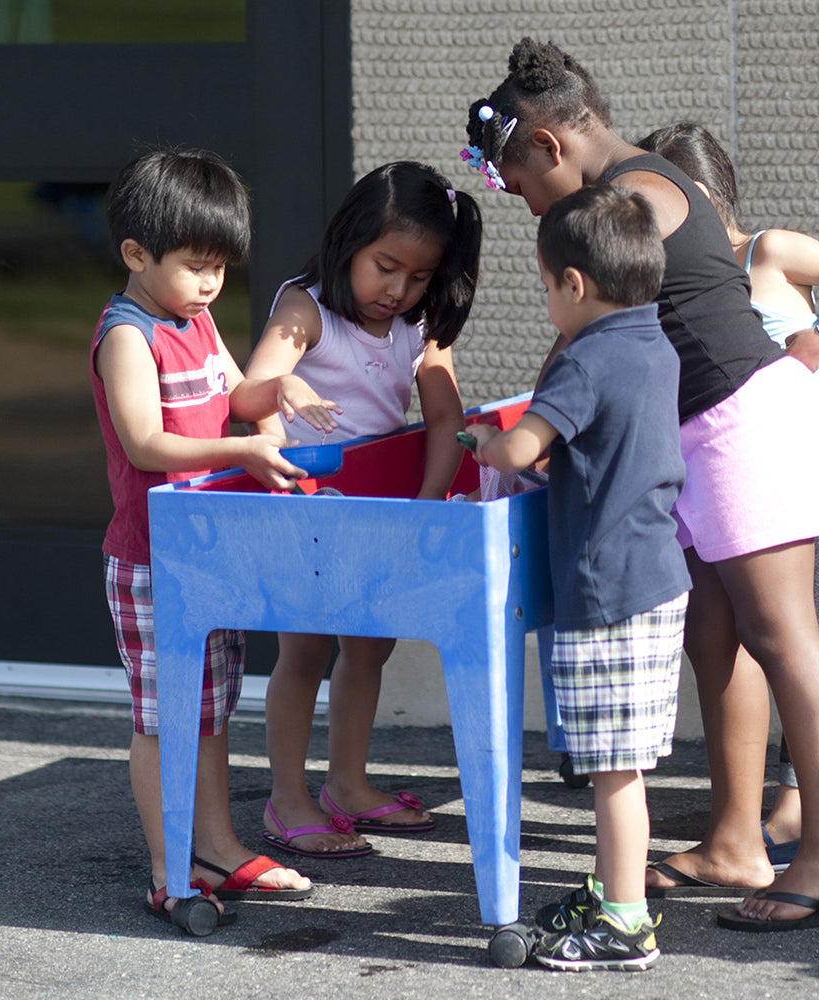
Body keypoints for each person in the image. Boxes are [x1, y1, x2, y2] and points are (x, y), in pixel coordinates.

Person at [462, 38, 819, 931]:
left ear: (549, 147)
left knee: (784, 633)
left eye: (519, 185)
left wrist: (538, 422)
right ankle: (736, 839)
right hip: (704, 432)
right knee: (716, 632)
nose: (525, 205)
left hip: (744, 421)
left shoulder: (637, 197)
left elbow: (589, 327)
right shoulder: (638, 185)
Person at [636, 122, 819, 867]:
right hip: (759, 470)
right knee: (756, 634)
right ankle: (756, 822)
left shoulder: (768, 250)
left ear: (706, 194)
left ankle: (805, 806)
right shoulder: (667, 279)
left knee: (803, 632)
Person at [230, 161, 482, 859]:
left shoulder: (419, 323)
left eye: (420, 277)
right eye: (386, 266)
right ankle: (287, 799)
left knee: (373, 643)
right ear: (348, 242)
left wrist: (426, 509)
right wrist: (282, 389)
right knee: (305, 650)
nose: (398, 290)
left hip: (378, 510)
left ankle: (347, 784)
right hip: (309, 508)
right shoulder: (305, 308)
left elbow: (443, 420)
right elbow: (249, 391)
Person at [90, 149, 313, 935]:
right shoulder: (128, 336)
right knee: (164, 718)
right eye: (196, 266)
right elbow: (146, 441)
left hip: (210, 553)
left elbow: (235, 393)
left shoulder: (199, 318)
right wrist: (245, 451)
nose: (212, 282)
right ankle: (168, 870)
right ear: (137, 255)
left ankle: (216, 848)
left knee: (212, 709)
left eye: (221, 266)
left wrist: (275, 389)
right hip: (152, 561)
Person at [469, 184, 691, 971]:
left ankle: (624, 924)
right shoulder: (652, 342)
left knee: (612, 769)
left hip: (607, 591)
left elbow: (521, 448)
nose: (547, 304)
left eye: (544, 287)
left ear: (573, 283)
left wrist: (480, 442)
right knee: (621, 759)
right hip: (655, 576)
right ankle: (612, 895)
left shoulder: (584, 358)